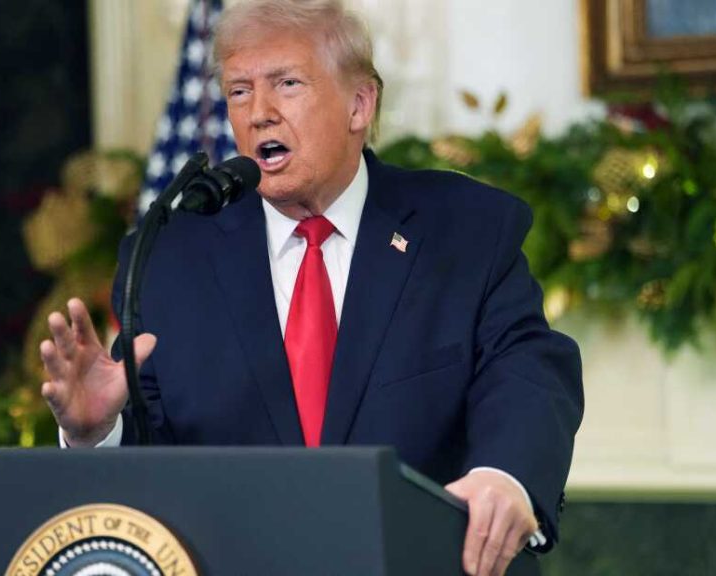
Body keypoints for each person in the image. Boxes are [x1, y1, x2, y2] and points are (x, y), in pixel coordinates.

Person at [40, 1, 583, 575]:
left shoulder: (464, 227)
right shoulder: (171, 257)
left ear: (359, 104)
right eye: (239, 91)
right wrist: (97, 431)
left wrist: (505, 476)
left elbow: (527, 368)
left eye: (287, 84)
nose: (259, 114)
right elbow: (151, 478)